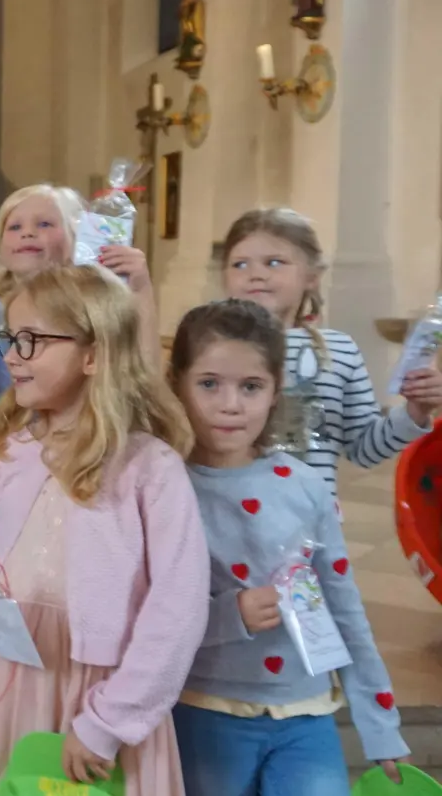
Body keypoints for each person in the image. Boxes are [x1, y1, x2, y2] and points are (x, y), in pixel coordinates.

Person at [0, 264, 208, 794]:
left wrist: (109, 723)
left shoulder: (150, 468)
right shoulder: (2, 449)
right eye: (9, 339)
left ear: (94, 353)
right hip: (8, 678)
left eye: (31, 340)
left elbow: (179, 605)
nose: (11, 355)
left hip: (101, 688)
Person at [168, 299, 408, 793]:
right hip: (205, 708)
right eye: (209, 383)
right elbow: (150, 614)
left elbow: (344, 608)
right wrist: (230, 614)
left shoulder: (303, 485)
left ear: (276, 392)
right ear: (177, 384)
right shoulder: (165, 486)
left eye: (250, 387)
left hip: (308, 712)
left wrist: (380, 724)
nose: (230, 403)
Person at [221, 207, 441, 494]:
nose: (255, 274)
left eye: (274, 262)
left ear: (312, 276)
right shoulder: (210, 350)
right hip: (224, 522)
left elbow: (365, 450)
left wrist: (415, 412)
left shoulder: (339, 352)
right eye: (239, 264)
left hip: (311, 528)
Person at [0, 183, 157, 474]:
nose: (28, 232)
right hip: (6, 460)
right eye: (14, 226)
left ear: (77, 235)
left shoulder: (93, 308)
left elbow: (142, 374)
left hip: (87, 454)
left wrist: (140, 289)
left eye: (44, 223)